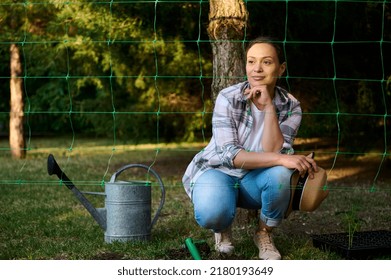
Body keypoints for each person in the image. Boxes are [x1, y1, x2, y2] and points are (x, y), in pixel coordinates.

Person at [182, 36, 318, 260]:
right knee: (212, 212)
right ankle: (222, 226)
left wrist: (268, 108)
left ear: (281, 68)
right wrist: (283, 159)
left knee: (281, 175)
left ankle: (264, 233)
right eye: (251, 61)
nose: (257, 69)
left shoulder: (291, 106)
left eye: (266, 62)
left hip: (257, 179)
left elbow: (276, 150)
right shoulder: (228, 97)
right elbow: (231, 156)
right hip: (219, 172)